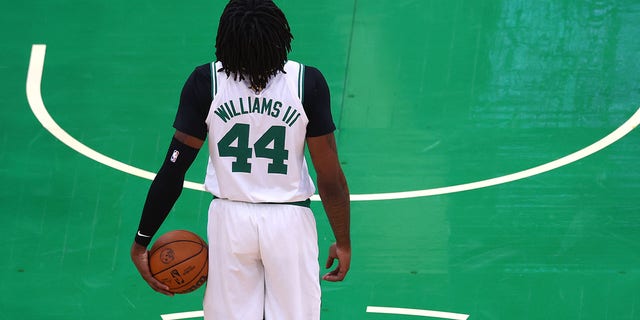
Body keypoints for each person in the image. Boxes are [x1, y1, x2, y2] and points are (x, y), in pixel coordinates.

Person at [130, 1, 351, 319]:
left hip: (230, 222)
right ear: (279, 36)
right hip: (289, 222)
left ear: (225, 40)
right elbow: (330, 178)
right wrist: (342, 241)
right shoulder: (306, 83)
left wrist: (142, 241)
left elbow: (174, 169)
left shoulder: (206, 82)